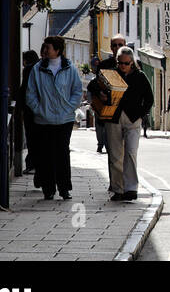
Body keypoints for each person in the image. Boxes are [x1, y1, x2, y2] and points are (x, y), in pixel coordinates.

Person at [24, 36, 84, 201]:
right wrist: (39, 110)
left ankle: (64, 188)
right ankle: (48, 188)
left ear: (57, 50)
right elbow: (30, 94)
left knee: (62, 153)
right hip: (43, 120)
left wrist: (69, 107)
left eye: (48, 47)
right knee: (45, 155)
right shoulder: (38, 69)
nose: (44, 50)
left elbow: (77, 90)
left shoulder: (69, 68)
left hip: (64, 119)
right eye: (44, 47)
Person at [97, 46, 153, 201]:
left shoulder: (140, 76)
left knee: (130, 153)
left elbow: (149, 98)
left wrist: (140, 115)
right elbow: (96, 89)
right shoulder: (111, 74)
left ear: (132, 63)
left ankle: (131, 188)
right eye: (120, 63)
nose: (123, 66)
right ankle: (118, 189)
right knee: (115, 155)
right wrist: (101, 95)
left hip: (133, 119)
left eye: (126, 63)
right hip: (113, 117)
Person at [89, 35, 127, 156]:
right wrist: (100, 93)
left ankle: (126, 175)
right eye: (115, 45)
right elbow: (96, 84)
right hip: (110, 111)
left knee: (128, 152)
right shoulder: (104, 65)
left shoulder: (133, 64)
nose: (117, 47)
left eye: (120, 45)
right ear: (111, 48)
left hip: (127, 111)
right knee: (113, 153)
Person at [13, 49, 40, 176]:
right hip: (40, 110)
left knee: (31, 138)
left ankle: (32, 164)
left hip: (30, 110)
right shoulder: (40, 68)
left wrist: (20, 108)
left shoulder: (29, 69)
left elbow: (24, 89)